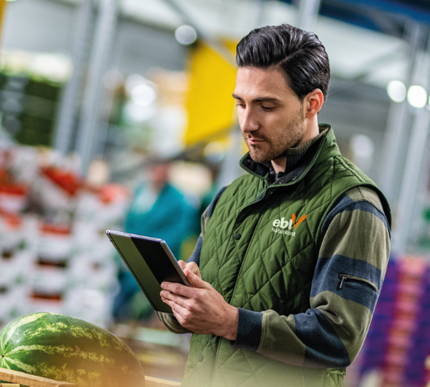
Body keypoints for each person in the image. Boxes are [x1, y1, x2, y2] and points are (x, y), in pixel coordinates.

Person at [157, 24, 391, 387]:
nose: (247, 123)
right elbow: (201, 315)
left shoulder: (352, 205)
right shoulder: (230, 197)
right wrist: (181, 302)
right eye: (241, 104)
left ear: (312, 103)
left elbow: (339, 337)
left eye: (267, 106)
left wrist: (231, 322)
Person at [114, 161, 199, 320]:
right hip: (131, 256)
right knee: (120, 305)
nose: (159, 171)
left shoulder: (179, 199)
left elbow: (179, 232)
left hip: (156, 259)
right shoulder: (140, 191)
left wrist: (148, 246)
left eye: (163, 166)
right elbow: (129, 221)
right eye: (155, 166)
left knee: (144, 306)